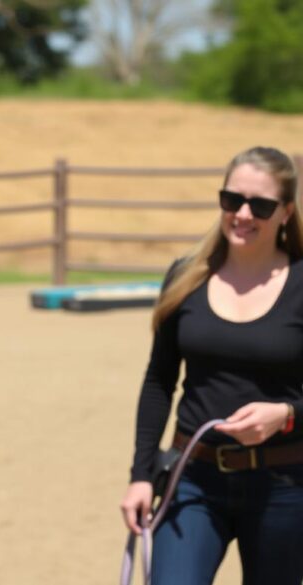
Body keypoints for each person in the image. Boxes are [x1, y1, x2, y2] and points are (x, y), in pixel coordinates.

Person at [121, 146, 303, 585]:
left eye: (260, 205)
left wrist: (288, 414)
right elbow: (159, 381)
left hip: (285, 485)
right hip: (192, 477)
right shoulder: (187, 276)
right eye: (231, 200)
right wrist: (141, 476)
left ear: (286, 212)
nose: (243, 214)